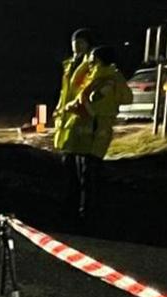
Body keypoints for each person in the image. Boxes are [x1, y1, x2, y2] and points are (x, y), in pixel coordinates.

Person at [62, 46, 134, 225]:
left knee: (88, 175)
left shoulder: (104, 78)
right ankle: (85, 212)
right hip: (92, 132)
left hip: (93, 131)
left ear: (99, 59)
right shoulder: (105, 76)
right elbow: (126, 98)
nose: (90, 61)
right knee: (85, 174)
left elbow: (90, 100)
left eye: (93, 58)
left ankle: (88, 216)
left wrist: (75, 107)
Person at [55, 29, 98, 222]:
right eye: (75, 44)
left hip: (83, 122)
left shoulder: (93, 65)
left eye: (81, 43)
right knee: (68, 170)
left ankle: (84, 212)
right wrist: (59, 109)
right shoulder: (69, 65)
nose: (77, 48)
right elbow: (65, 93)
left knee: (85, 173)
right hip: (67, 124)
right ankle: (69, 209)